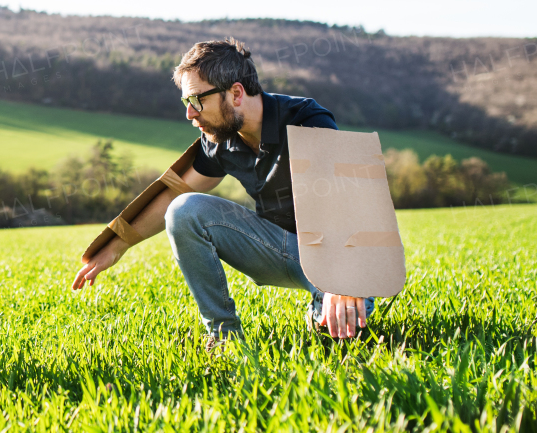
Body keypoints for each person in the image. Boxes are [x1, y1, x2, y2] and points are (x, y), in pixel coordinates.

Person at [72, 38, 374, 342]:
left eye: (197, 100)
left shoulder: (306, 120)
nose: (190, 114)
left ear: (236, 93)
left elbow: (348, 201)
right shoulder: (220, 140)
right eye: (186, 103)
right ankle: (224, 339)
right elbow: (173, 194)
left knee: (342, 337)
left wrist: (342, 278)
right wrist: (117, 245)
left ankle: (326, 301)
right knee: (184, 209)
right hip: (283, 251)